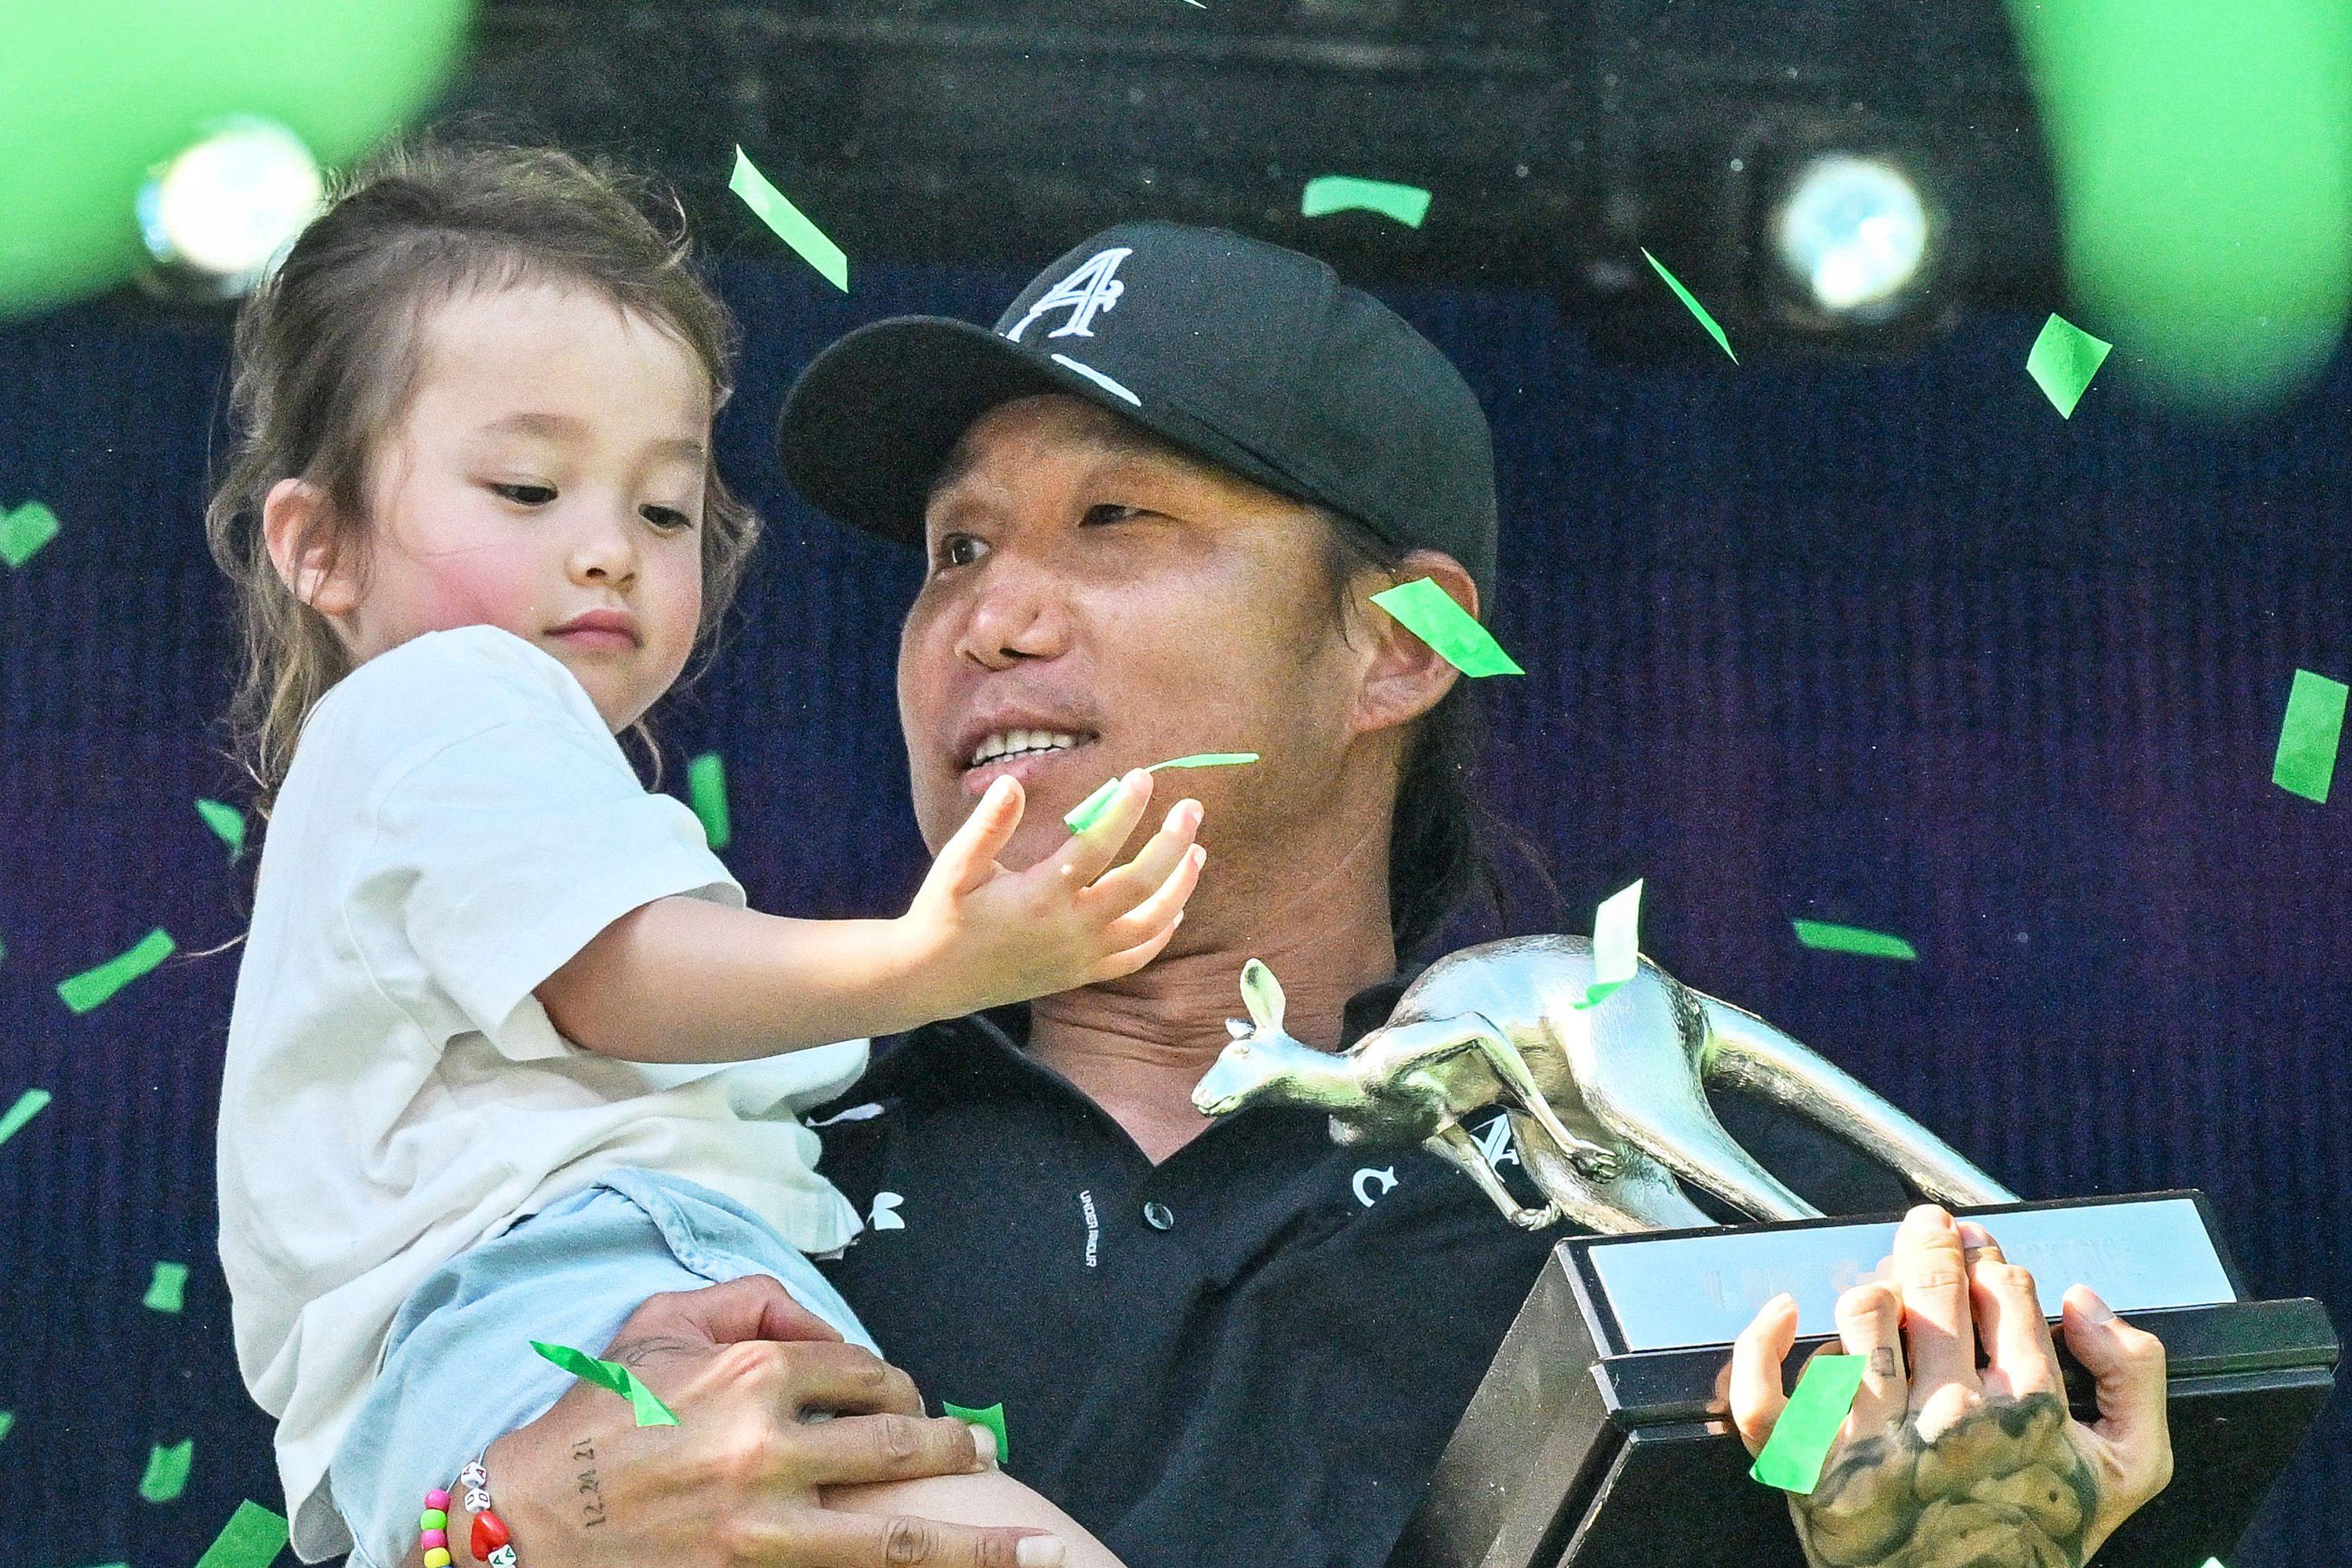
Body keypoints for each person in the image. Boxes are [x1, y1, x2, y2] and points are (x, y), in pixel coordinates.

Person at [344, 221, 2174, 1568]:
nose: (992, 615)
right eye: (955, 548)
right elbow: (422, 1504)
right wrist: (504, 1527)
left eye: (1116, 522)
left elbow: (1863, 1499)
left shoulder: (1683, 1212)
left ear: (1390, 645)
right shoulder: (730, 1161)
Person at [205, 140, 1205, 1568]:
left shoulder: (455, 773)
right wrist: (936, 959)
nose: (610, 549)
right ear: (320, 548)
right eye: (527, 489)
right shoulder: (446, 705)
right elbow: (617, 978)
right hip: (578, 1292)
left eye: (664, 508)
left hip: (483, 1389)